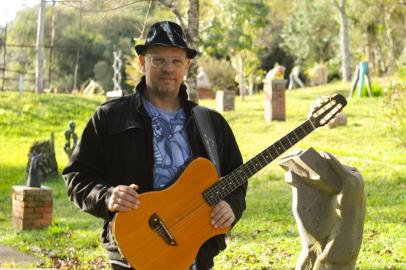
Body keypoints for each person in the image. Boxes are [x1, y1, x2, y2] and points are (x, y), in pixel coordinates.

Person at [63, 21, 247, 270]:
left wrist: (231, 206)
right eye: (158, 60)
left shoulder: (211, 123)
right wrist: (106, 196)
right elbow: (77, 176)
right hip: (133, 254)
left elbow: (236, 178)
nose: (168, 68)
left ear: (187, 66)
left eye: (176, 61)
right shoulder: (110, 117)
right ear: (142, 62)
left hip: (194, 257)